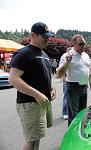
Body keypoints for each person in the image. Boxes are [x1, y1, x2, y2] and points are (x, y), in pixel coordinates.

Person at [9, 22, 56, 150]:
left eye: (48, 36)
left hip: (41, 102)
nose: (47, 39)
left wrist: (52, 87)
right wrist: (37, 94)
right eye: (44, 36)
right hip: (30, 103)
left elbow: (45, 75)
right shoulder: (24, 53)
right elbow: (13, 78)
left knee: (36, 137)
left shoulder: (44, 54)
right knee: (31, 140)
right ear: (33, 35)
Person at [56, 34, 91, 126]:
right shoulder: (66, 56)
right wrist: (67, 63)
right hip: (73, 87)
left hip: (84, 86)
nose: (83, 46)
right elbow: (59, 74)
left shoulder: (85, 55)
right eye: (81, 44)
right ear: (73, 44)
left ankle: (79, 134)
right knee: (73, 115)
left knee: (82, 114)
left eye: (84, 44)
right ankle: (72, 138)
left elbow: (88, 68)